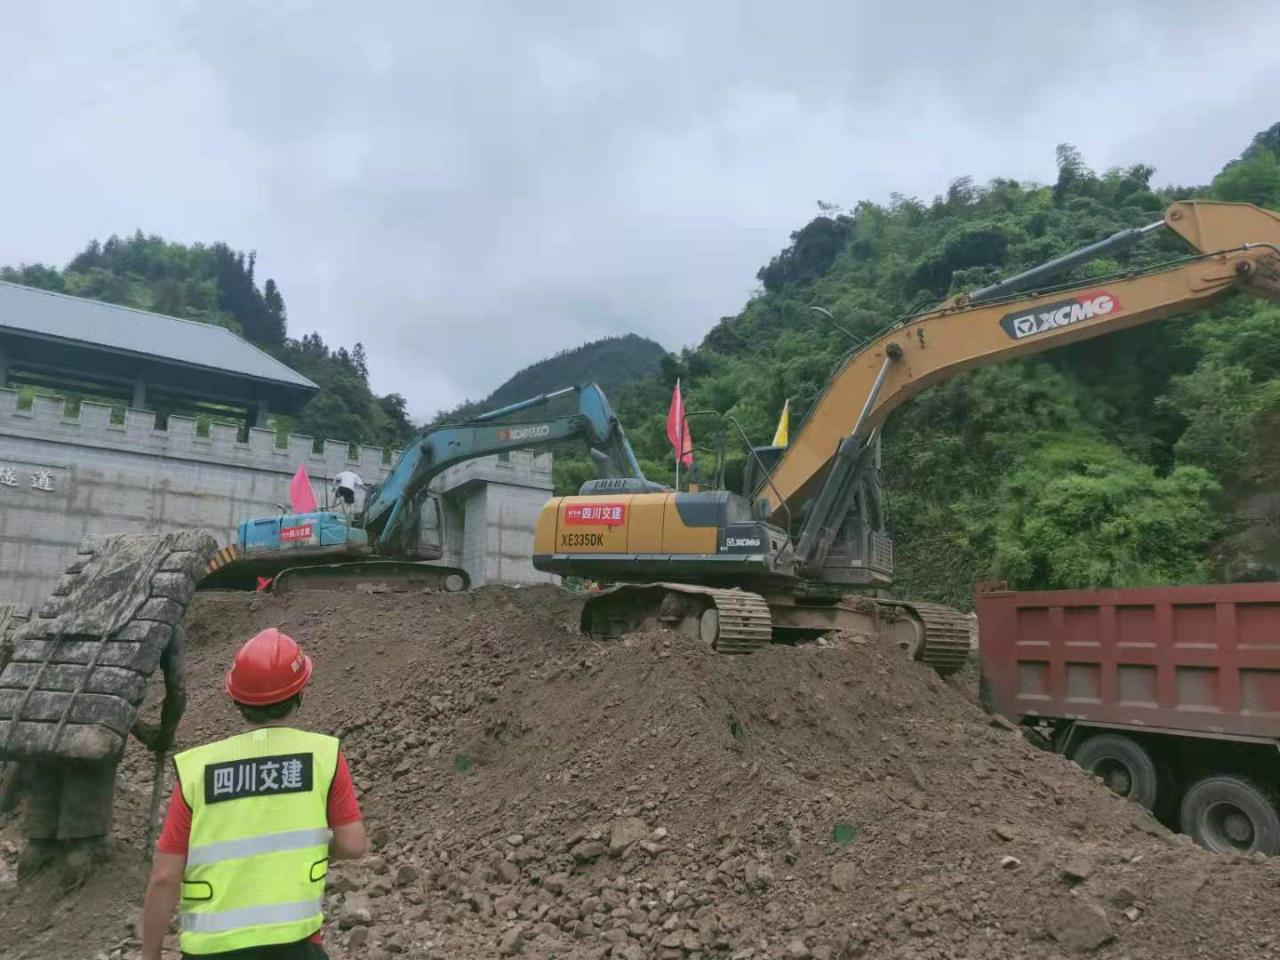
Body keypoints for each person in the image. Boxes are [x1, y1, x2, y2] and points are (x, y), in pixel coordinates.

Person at [141, 628, 367, 960]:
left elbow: (164, 876)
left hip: (211, 951)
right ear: (300, 693)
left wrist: (150, 955)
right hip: (295, 946)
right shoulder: (323, 756)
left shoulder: (199, 769)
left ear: (236, 699)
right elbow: (353, 844)